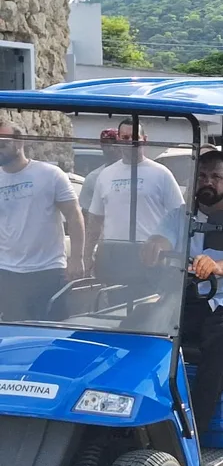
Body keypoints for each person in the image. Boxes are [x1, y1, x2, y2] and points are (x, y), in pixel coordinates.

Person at [142, 150, 223, 434]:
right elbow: (162, 237)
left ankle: (192, 431)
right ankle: (139, 415)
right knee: (139, 327)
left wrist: (217, 266)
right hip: (187, 298)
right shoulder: (180, 215)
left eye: (216, 176)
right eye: (201, 176)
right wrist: (155, 247)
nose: (207, 182)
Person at [0, 119, 85, 321]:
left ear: (20, 142)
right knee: (13, 332)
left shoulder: (49, 175)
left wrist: (77, 258)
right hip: (8, 271)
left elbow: (74, 215)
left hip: (47, 269)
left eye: (2, 144)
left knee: (52, 330)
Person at [85, 119, 183, 270]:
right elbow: (95, 221)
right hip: (114, 255)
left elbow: (179, 216)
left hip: (150, 256)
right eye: (125, 138)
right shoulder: (106, 175)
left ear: (144, 140)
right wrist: (87, 255)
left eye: (135, 137)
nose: (130, 141)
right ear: (118, 140)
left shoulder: (161, 174)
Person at [79, 128, 120, 217]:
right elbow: (86, 213)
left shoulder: (135, 173)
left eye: (115, 144)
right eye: (107, 145)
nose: (111, 149)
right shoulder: (93, 178)